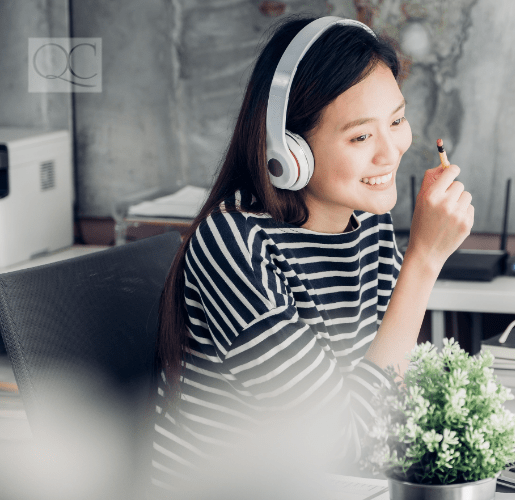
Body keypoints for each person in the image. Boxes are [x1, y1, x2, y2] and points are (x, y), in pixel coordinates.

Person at [149, 15, 473, 492]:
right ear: (289, 150)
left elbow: (389, 386)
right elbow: (335, 441)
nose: (391, 151)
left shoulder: (366, 219)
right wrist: (423, 262)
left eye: (398, 121)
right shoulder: (235, 244)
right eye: (361, 136)